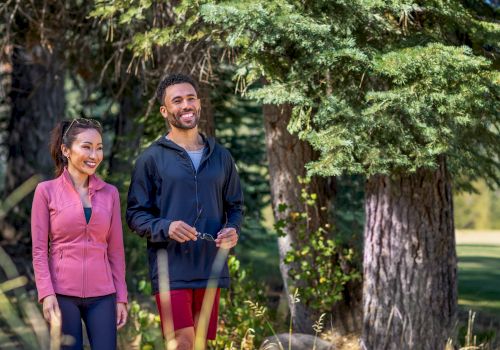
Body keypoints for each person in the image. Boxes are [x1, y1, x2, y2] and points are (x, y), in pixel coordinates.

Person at [126, 73, 243, 349]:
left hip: (209, 266)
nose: (186, 105)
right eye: (177, 101)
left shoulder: (221, 156)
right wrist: (166, 227)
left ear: (199, 103)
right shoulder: (151, 158)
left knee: (199, 343)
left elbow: (235, 207)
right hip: (171, 268)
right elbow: (135, 215)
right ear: (165, 111)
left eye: (190, 98)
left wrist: (232, 230)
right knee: (182, 343)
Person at [31, 118, 128, 350]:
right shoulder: (46, 192)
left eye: (99, 147)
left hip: (103, 295)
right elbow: (38, 250)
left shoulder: (110, 194)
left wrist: (121, 297)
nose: (94, 154)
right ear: (66, 150)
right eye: (86, 146)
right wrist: (46, 294)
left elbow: (115, 250)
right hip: (62, 293)